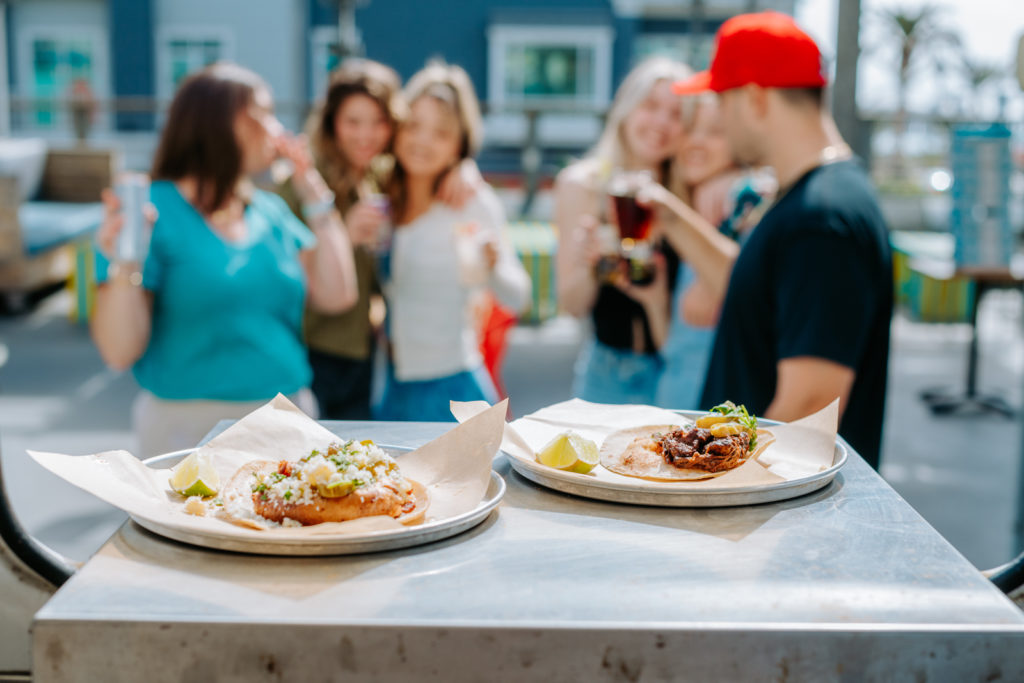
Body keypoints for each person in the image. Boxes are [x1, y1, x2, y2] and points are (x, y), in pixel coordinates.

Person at [653, 11, 892, 468]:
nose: (718, 120)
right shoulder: (813, 200)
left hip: (777, 519)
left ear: (755, 99)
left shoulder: (822, 218)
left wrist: (716, 486)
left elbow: (808, 403)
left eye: (721, 102)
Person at [91, 62, 358, 456]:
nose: (276, 129)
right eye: (264, 114)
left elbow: (338, 295)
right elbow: (119, 351)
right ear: (222, 123)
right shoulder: (151, 213)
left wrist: (315, 195)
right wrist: (126, 262)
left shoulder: (270, 210)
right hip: (186, 435)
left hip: (289, 420)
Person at [282, 59, 482, 419]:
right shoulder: (302, 183)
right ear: (331, 123)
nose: (366, 135)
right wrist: (341, 234)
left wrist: (464, 167)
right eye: (353, 122)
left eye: (378, 122)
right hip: (311, 353)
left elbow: (430, 161)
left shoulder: (381, 176)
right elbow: (284, 282)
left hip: (365, 357)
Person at [378, 62, 530, 421]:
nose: (422, 141)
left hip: (453, 390)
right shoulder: (383, 195)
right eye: (414, 125)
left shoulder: (470, 200)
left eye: (441, 133)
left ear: (459, 143)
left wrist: (493, 266)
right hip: (391, 390)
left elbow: (518, 297)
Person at [555, 57, 690, 405]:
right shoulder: (582, 185)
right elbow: (572, 305)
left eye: (676, 114)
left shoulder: (689, 192)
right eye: (651, 106)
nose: (662, 122)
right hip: (607, 371)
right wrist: (590, 262)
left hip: (674, 368)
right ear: (627, 109)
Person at [655, 95, 773, 410]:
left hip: (719, 408)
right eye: (689, 128)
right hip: (676, 395)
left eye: (715, 132)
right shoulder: (682, 204)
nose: (696, 141)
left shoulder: (744, 198)